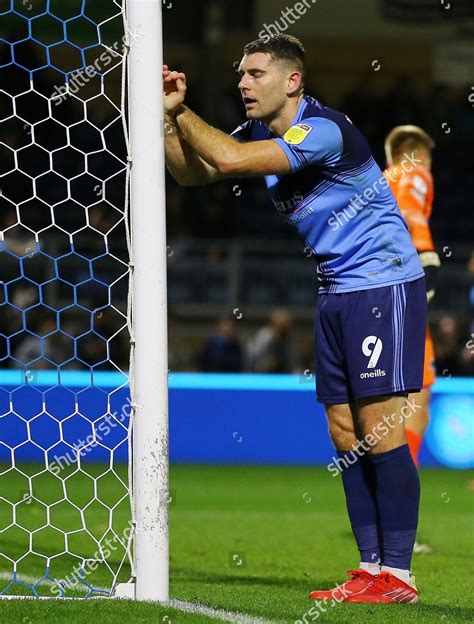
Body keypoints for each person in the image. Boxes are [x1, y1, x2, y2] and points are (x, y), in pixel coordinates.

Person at [163, 34, 427, 604]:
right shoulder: (260, 133)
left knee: (378, 427)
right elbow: (194, 175)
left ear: (292, 81)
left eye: (255, 73)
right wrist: (166, 122)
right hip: (335, 291)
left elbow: (227, 160)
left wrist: (182, 110)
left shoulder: (323, 129)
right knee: (344, 432)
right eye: (240, 74)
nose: (242, 83)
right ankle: (369, 568)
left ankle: (399, 576)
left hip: (381, 285)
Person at [384, 125, 441, 555]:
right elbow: (414, 217)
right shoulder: (415, 173)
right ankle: (398, 523)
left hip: (374, 295)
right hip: (405, 289)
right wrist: (426, 260)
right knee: (415, 404)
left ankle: (388, 517)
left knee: (391, 403)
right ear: (416, 153)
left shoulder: (381, 178)